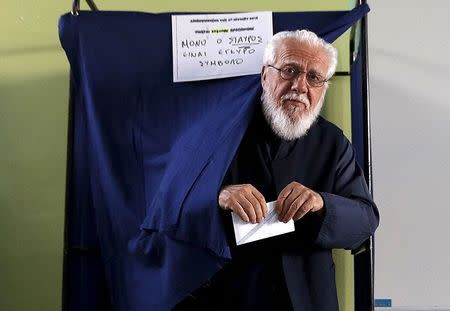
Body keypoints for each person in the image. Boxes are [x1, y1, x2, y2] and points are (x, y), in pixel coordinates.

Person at [173, 29, 379, 311]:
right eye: (289, 70)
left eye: (314, 77)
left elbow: (365, 221)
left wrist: (322, 204)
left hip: (308, 300)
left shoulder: (333, 143)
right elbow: (168, 206)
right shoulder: (216, 133)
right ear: (264, 75)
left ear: (323, 88)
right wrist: (217, 195)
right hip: (227, 297)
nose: (299, 85)